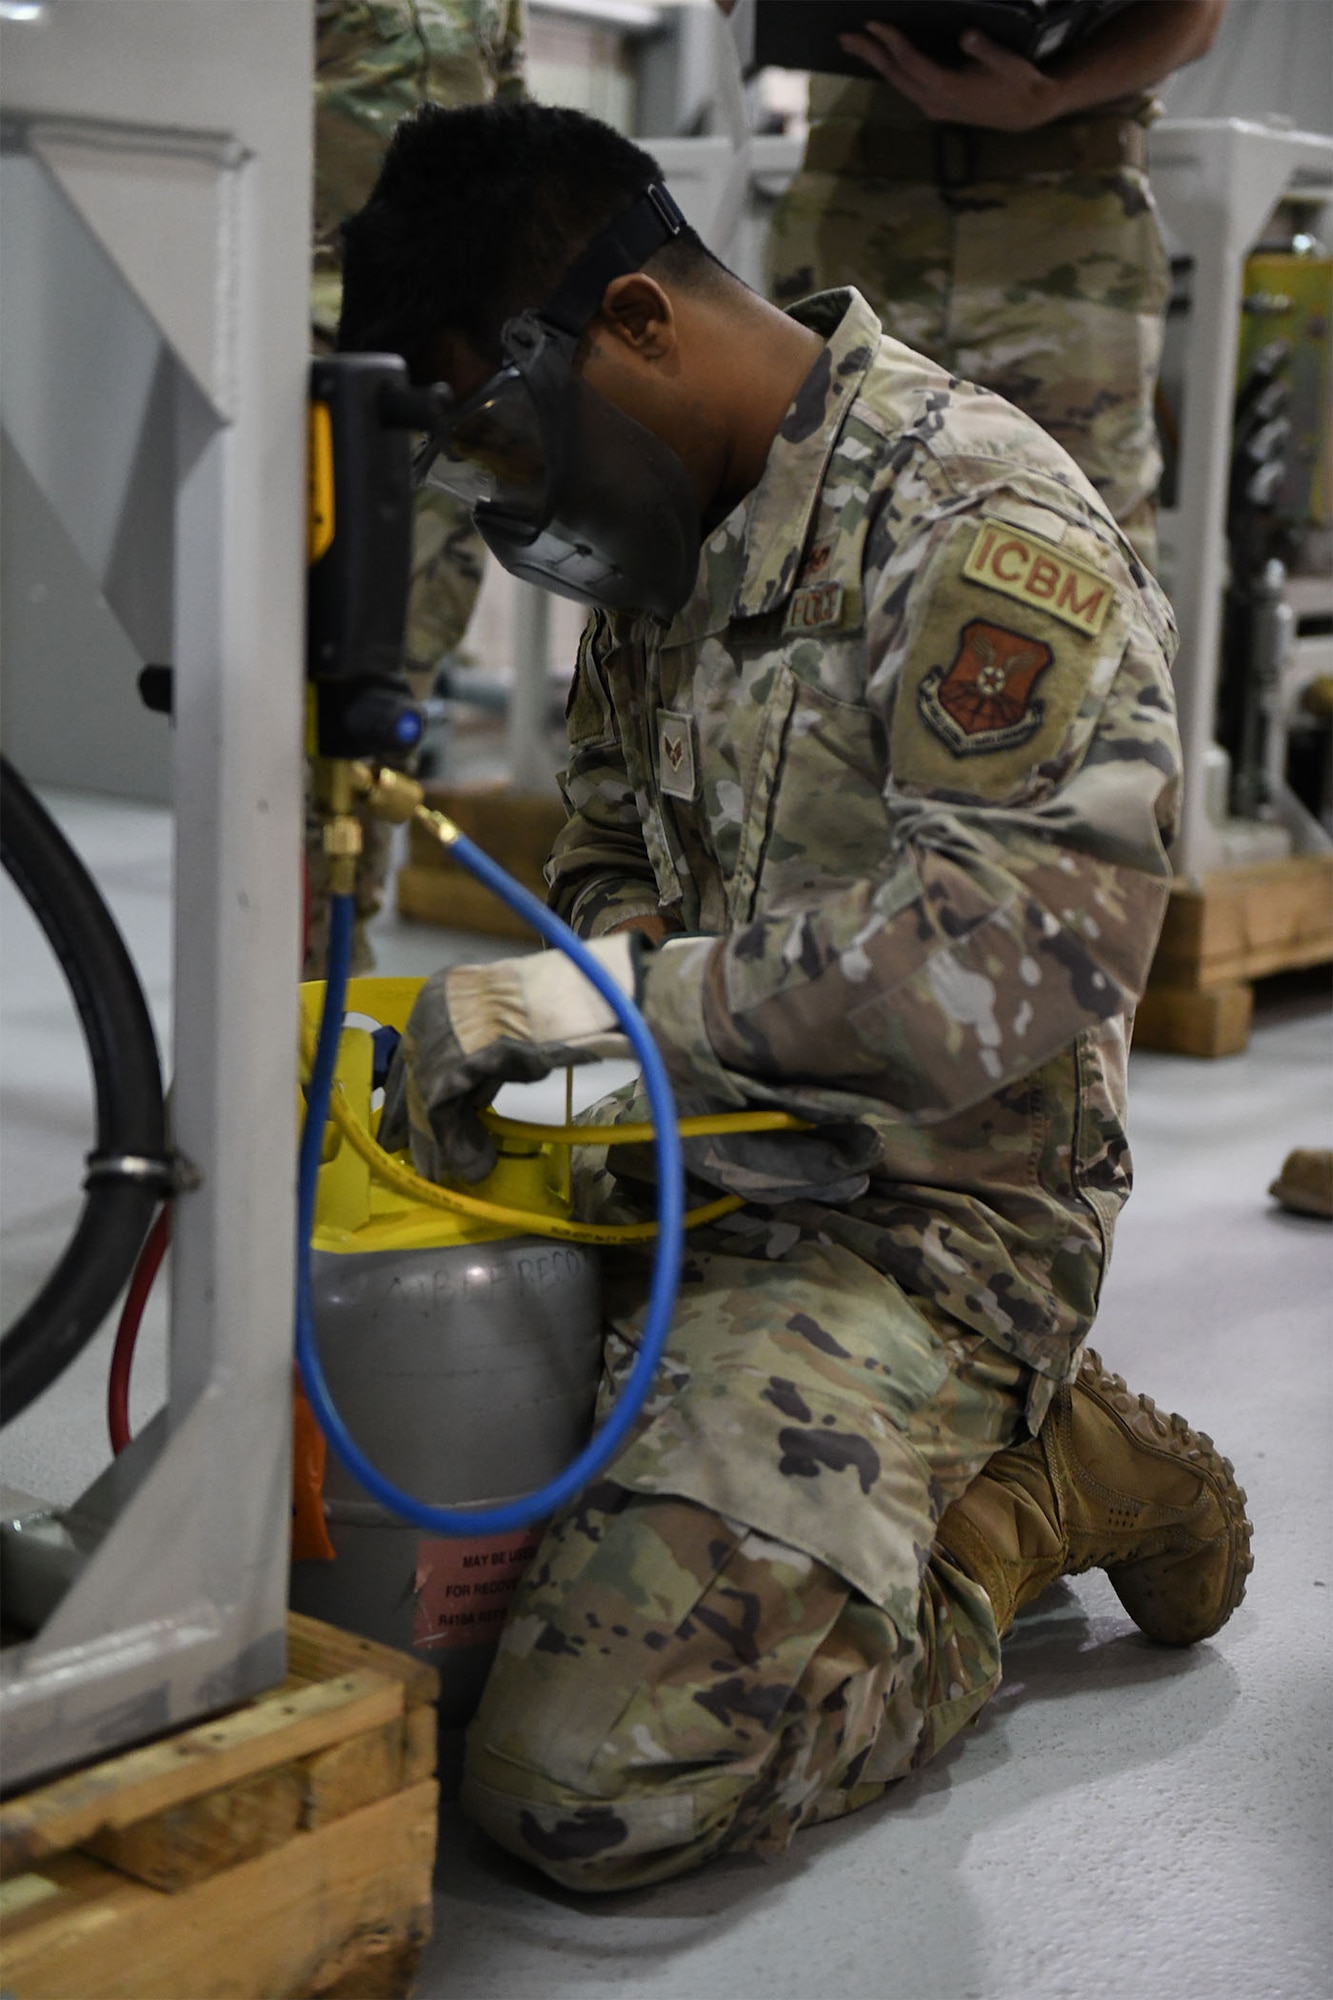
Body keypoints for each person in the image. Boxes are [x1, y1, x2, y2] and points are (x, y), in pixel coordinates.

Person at [338, 99, 1252, 1891]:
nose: (512, 499)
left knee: (585, 1785)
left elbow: (1027, 958)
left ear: (637, 327)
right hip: (688, 1155)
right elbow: (605, 844)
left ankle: (1027, 1497)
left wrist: (611, 1006)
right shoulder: (679, 531)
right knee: (365, 1548)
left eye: (501, 439)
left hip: (927, 1218)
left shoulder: (975, 520)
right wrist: (566, 1050)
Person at [761, 0, 1228, 569]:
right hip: (855, 221)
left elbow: (1198, 13)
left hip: (1062, 230)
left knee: (1077, 547)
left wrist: (1056, 93)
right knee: (815, 533)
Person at [305, 0, 526, 976]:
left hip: (437, 360)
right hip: (301, 336)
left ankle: (330, 998)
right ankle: (260, 1047)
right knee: (280, 713)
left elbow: (507, 123)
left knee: (390, 697)